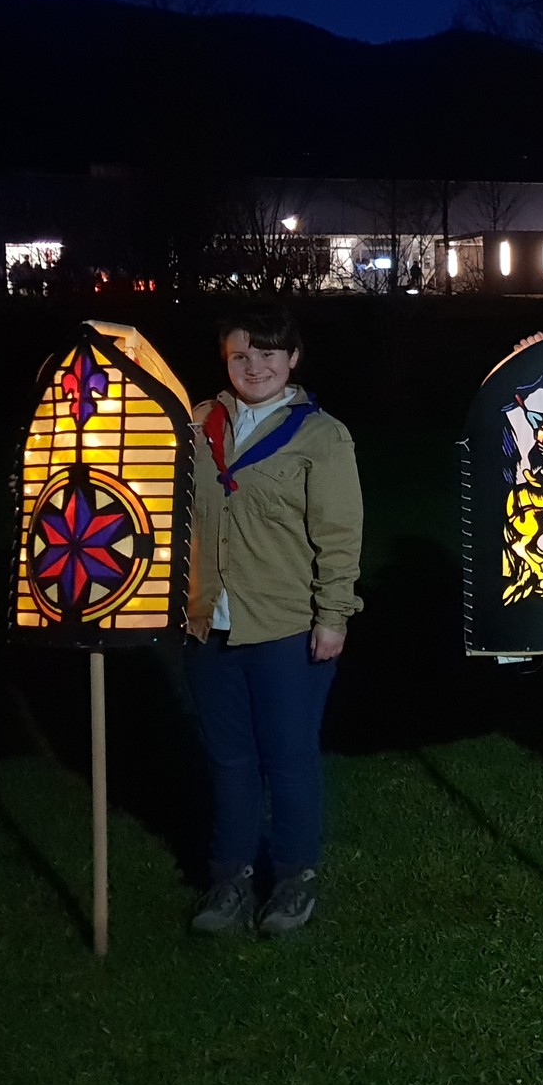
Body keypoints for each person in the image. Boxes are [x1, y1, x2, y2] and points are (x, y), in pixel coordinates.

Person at [184, 305, 362, 936]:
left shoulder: (322, 436)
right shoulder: (197, 424)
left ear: (292, 359)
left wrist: (333, 615)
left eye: (267, 354)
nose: (254, 366)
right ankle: (229, 878)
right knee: (229, 760)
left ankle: (292, 877)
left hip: (286, 625)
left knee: (288, 758)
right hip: (209, 625)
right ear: (225, 359)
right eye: (241, 354)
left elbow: (339, 535)